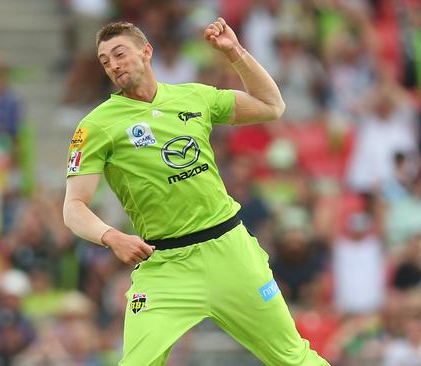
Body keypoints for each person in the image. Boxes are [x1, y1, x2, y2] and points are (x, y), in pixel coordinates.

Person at [62, 18, 329, 366]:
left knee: (293, 357)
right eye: (105, 60)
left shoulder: (194, 96)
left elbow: (271, 106)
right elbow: (73, 207)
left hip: (230, 251)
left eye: (119, 53)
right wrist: (111, 236)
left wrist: (235, 52)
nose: (113, 64)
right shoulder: (97, 126)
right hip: (166, 265)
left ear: (146, 52)